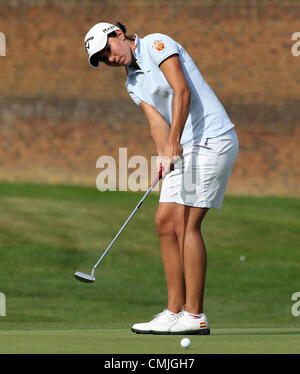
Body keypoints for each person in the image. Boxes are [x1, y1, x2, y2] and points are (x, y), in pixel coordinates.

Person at [84, 22, 239, 335]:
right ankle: (173, 311)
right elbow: (156, 122)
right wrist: (162, 153)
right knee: (165, 222)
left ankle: (194, 315)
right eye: (102, 59)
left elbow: (181, 90)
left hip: (211, 140)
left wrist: (173, 142)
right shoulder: (132, 82)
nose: (109, 59)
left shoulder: (157, 44)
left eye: (107, 50)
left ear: (118, 34)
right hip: (182, 146)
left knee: (185, 222)